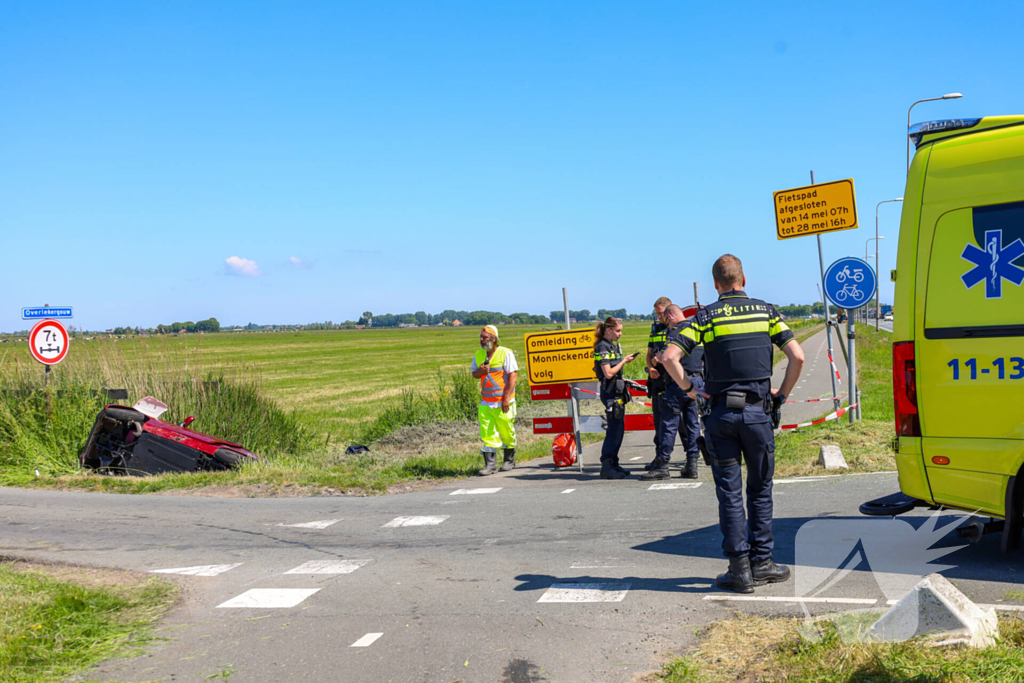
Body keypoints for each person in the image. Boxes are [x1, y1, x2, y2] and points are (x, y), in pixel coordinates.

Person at [661, 255, 804, 593]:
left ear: (715, 284)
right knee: (760, 489)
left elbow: (669, 357)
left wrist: (690, 389)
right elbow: (797, 356)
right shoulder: (766, 312)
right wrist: (780, 395)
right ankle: (763, 563)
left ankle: (738, 571)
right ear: (744, 278)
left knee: (729, 492)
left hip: (720, 416)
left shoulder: (706, 316)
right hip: (758, 415)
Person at [643, 304, 704, 481]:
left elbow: (665, 357)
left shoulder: (674, 333)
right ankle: (692, 464)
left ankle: (663, 465)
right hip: (697, 381)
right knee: (693, 425)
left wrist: (657, 358)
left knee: (668, 425)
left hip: (678, 383)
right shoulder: (697, 330)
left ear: (670, 317)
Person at [593, 317, 641, 479]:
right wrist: (625, 361)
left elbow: (614, 374)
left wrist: (626, 381)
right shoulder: (602, 347)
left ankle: (614, 463)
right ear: (608, 330)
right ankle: (606, 465)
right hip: (610, 394)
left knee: (619, 429)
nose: (620, 334)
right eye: (618, 330)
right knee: (614, 430)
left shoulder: (613, 346)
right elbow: (608, 373)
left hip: (616, 391)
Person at [471, 325, 518, 475]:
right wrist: (481, 371)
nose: (482, 340)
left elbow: (513, 376)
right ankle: (490, 465)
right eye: (481, 337)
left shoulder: (505, 353)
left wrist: (506, 398)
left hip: (504, 402)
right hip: (486, 402)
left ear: (494, 339)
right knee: (487, 433)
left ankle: (509, 461)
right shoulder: (479, 354)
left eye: (485, 337)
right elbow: (475, 374)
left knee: (506, 431)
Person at [643, 297, 673, 472]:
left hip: (673, 382)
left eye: (661, 313)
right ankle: (659, 459)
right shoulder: (655, 329)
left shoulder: (676, 328)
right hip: (657, 382)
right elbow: (648, 353)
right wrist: (650, 367)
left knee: (683, 427)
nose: (659, 317)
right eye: (657, 313)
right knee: (659, 423)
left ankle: (690, 461)